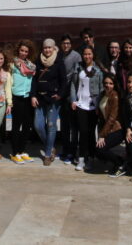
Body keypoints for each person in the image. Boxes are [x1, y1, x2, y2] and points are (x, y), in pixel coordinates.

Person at [70, 46, 103, 171]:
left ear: (93, 55)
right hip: (81, 104)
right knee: (82, 132)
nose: (87, 56)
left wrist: (99, 105)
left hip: (92, 105)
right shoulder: (78, 67)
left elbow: (101, 89)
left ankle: (91, 158)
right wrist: (73, 99)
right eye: (85, 54)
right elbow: (73, 83)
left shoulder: (98, 71)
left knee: (90, 133)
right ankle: (82, 158)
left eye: (89, 54)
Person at [33, 38, 65, 165]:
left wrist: (60, 95)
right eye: (45, 47)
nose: (47, 50)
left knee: (51, 126)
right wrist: (33, 96)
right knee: (38, 125)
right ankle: (50, 147)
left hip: (53, 99)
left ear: (53, 48)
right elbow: (34, 80)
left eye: (49, 47)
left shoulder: (59, 62)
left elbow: (64, 81)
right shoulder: (38, 61)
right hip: (40, 98)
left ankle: (47, 155)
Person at [9, 40, 38, 164]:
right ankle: (15, 152)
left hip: (27, 97)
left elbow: (33, 80)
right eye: (22, 50)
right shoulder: (13, 64)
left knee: (27, 126)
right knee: (16, 126)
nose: (24, 53)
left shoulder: (31, 65)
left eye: (26, 51)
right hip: (17, 97)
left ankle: (22, 151)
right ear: (18, 50)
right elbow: (9, 80)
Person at [96, 73, 127, 176]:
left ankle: (119, 163)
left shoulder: (115, 96)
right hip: (107, 128)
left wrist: (102, 135)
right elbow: (101, 117)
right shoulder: (102, 94)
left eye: (111, 83)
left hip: (117, 129)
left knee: (101, 149)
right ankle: (119, 160)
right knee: (98, 150)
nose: (108, 85)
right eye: (106, 83)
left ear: (114, 85)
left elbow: (112, 118)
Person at [58, 34, 80, 163]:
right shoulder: (59, 55)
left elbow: (76, 77)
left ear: (71, 45)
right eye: (64, 43)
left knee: (73, 125)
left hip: (72, 94)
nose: (66, 45)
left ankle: (73, 151)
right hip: (61, 93)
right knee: (64, 124)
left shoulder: (76, 56)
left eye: (68, 43)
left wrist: (74, 97)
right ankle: (66, 150)